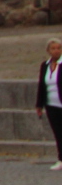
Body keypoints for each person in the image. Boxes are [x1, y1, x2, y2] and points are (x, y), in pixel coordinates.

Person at [38, 38, 62, 171]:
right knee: (58, 133)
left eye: (59, 48)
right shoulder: (45, 65)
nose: (56, 51)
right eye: (53, 48)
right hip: (51, 104)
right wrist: (39, 104)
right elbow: (42, 85)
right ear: (48, 51)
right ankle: (61, 159)